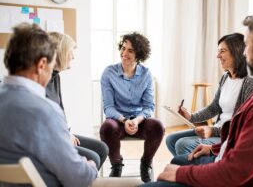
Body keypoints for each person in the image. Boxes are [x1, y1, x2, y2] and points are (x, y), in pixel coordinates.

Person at [140, 11, 253, 187]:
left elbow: (234, 173)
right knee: (176, 161)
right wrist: (214, 148)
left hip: (231, 179)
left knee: (167, 171)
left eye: (246, 45)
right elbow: (249, 147)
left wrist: (180, 174)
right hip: (225, 160)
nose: (245, 53)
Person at [0, 23, 97, 186]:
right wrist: (91, 167)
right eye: (52, 63)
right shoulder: (44, 111)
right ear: (41, 65)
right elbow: (79, 178)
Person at [166, 33, 253, 157]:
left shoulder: (252, 81)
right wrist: (191, 117)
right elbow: (214, 107)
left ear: (237, 52)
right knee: (171, 140)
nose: (218, 56)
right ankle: (196, 168)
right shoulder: (225, 78)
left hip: (231, 136)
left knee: (182, 145)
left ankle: (207, 170)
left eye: (222, 51)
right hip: (218, 130)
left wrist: (212, 131)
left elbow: (243, 124)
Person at [100, 32, 164, 183]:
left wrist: (137, 120)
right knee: (106, 128)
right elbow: (108, 107)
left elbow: (149, 107)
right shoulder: (109, 73)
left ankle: (146, 164)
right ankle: (116, 165)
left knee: (158, 126)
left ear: (139, 54)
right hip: (118, 122)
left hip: (139, 122)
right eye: (123, 48)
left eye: (130, 50)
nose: (124, 53)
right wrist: (124, 120)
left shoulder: (146, 74)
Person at [46, 32, 108, 170]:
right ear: (60, 52)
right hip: (51, 139)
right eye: (70, 52)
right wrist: (64, 135)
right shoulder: (41, 80)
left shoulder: (56, 77)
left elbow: (60, 112)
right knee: (93, 158)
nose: (73, 56)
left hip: (60, 133)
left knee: (102, 148)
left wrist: (67, 132)